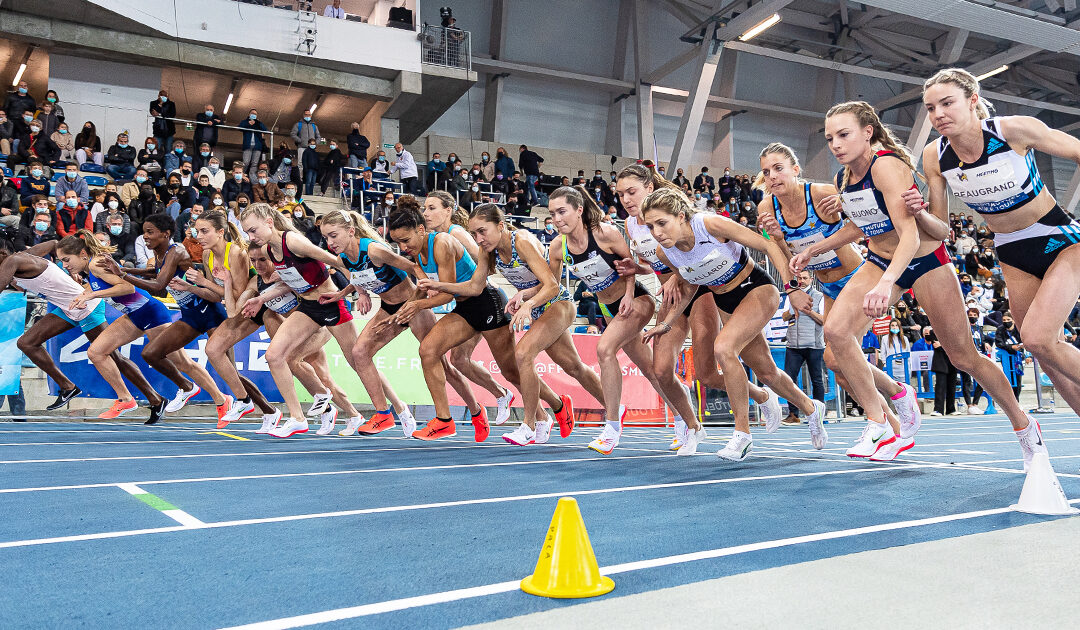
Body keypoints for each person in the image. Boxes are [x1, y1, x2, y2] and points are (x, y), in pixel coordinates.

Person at [795, 99, 1046, 469]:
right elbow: (865, 224)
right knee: (835, 331)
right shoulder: (843, 177)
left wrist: (886, 285)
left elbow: (910, 235)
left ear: (868, 132)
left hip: (925, 261)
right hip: (881, 259)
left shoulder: (887, 167)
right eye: (830, 137)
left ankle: (1024, 425)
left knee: (964, 357)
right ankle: (879, 421)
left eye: (843, 134)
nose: (835, 143)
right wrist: (817, 247)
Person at [911, 68, 1080, 433]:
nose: (938, 113)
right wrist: (920, 212)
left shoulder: (1012, 130)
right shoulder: (934, 156)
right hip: (1011, 251)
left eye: (947, 103)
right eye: (930, 107)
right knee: (1041, 351)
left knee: (1037, 337)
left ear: (973, 101)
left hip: (1059, 237)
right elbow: (940, 229)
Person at [641, 188, 827, 461]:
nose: (656, 231)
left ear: (681, 216)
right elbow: (691, 285)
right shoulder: (666, 252)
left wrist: (792, 288)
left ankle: (742, 435)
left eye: (661, 223)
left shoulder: (709, 225)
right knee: (766, 372)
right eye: (649, 226)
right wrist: (667, 323)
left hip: (756, 288)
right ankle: (811, 409)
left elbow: (767, 245)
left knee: (724, 348)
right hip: (725, 302)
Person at [755, 142, 916, 442]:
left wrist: (842, 211)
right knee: (836, 365)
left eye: (778, 168)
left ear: (795, 169)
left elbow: (863, 225)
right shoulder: (767, 208)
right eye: (766, 172)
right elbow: (778, 250)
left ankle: (895, 400)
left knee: (837, 356)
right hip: (826, 285)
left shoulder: (819, 193)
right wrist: (788, 277)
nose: (772, 176)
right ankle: (894, 426)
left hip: (857, 276)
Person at [614, 162, 771, 451]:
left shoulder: (671, 215)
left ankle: (760, 397)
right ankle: (693, 427)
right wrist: (636, 268)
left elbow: (694, 250)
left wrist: (676, 275)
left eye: (631, 192)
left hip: (700, 290)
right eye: (620, 193)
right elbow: (654, 265)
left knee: (707, 374)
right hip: (671, 295)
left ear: (649, 188)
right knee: (661, 371)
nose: (625, 200)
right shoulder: (630, 224)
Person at [421, 203, 594, 446]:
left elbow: (552, 285)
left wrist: (526, 303)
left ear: (500, 225)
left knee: (523, 355)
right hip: (535, 306)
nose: (478, 239)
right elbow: (474, 287)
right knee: (573, 366)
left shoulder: (521, 241)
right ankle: (602, 408)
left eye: (482, 231)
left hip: (556, 302)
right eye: (474, 234)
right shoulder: (487, 249)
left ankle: (530, 425)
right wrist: (441, 286)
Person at [386, 205, 520, 442]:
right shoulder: (416, 253)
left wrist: (417, 306)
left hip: (488, 302)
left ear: (420, 229)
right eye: (398, 243)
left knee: (512, 371)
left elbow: (445, 294)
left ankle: (552, 409)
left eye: (405, 240)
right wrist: (405, 309)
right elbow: (424, 287)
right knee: (429, 351)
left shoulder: (442, 243)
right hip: (466, 308)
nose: (403, 248)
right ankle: (444, 420)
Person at [238, 203, 366, 437]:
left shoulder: (290, 246)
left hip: (322, 312)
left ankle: (383, 410)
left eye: (253, 231)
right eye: (253, 261)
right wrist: (260, 298)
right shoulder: (262, 278)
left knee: (318, 368)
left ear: (268, 222)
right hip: (305, 316)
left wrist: (360, 290)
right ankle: (329, 413)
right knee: (287, 361)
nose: (257, 264)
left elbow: (335, 262)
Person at [1, 240, 165, 417]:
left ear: (3, 253)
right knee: (27, 343)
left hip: (88, 307)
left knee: (113, 357)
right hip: (69, 307)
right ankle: (67, 387)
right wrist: (68, 270)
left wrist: (67, 270)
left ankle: (155, 398)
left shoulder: (13, 261)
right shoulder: (24, 256)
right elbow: (54, 243)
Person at [101, 213, 235, 420]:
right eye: (144, 232)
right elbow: (154, 273)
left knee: (231, 369)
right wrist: (122, 269)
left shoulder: (177, 251)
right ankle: (189, 387)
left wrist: (123, 275)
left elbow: (158, 286)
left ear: (165, 234)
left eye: (150, 232)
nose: (145, 236)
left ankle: (256, 408)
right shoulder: (159, 256)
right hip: (190, 314)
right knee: (151, 354)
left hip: (210, 311)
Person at [56, 231, 180, 420]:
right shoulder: (89, 268)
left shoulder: (95, 264)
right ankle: (125, 399)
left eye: (66, 260)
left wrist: (91, 295)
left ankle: (220, 397)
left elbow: (127, 287)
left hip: (150, 311)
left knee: (181, 362)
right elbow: (103, 285)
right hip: (134, 314)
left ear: (82, 254)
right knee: (96, 352)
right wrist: (84, 293)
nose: (65, 266)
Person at [421, 192, 516, 422]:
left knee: (511, 368)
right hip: (465, 303)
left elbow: (485, 266)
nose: (426, 213)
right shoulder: (435, 238)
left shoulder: (456, 233)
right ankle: (502, 394)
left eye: (432, 208)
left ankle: (546, 411)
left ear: (448, 210)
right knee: (459, 360)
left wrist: (446, 286)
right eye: (425, 208)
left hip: (485, 298)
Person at [780, 270, 826, 424]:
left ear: (811, 279)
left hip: (814, 345)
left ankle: (818, 413)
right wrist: (793, 310)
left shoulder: (819, 296)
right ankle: (793, 414)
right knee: (788, 379)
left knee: (816, 380)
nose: (801, 280)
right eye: (799, 278)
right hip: (793, 344)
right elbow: (784, 316)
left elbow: (824, 320)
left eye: (805, 278)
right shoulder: (791, 296)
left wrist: (808, 311)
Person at [996, 311, 1025, 401]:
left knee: (1018, 379)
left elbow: (1024, 341)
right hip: (1006, 359)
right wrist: (1011, 347)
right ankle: (1010, 400)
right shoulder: (1000, 329)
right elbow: (999, 343)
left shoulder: (1019, 329)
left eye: (1008, 319)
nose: (1006, 321)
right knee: (1008, 380)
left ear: (1013, 320)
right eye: (1004, 320)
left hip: (1018, 359)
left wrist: (1021, 347)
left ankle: (1016, 400)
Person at [239, 109, 267, 179]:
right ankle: (242, 176)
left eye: (255, 114)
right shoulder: (245, 121)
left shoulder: (259, 123)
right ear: (249, 114)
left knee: (254, 164)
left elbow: (265, 130)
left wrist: (256, 123)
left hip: (257, 147)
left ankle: (252, 178)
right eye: (252, 113)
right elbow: (240, 127)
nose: (253, 114)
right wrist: (249, 124)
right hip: (247, 146)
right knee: (245, 162)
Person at [291, 110, 320, 177]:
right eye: (306, 115)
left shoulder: (314, 126)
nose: (308, 116)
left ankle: (308, 178)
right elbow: (293, 134)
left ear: (311, 115)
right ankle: (300, 178)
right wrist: (300, 141)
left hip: (311, 149)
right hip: (301, 147)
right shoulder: (298, 124)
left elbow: (318, 136)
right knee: (300, 163)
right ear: (303, 115)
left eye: (309, 115)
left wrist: (315, 144)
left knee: (311, 164)